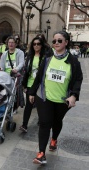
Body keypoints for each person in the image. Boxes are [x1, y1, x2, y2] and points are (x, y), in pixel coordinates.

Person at [29, 31, 83, 165]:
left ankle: (54, 139)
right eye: (54, 41)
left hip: (62, 100)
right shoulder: (47, 57)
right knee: (45, 122)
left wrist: (73, 95)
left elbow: (77, 80)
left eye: (59, 41)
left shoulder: (73, 61)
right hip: (44, 97)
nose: (56, 43)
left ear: (66, 42)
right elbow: (39, 76)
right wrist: (32, 92)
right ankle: (41, 153)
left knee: (56, 121)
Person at [19, 36, 47, 133]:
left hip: (41, 85)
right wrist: (24, 85)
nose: (36, 46)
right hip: (30, 84)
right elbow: (26, 72)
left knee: (40, 105)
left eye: (38, 44)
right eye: (34, 44)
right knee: (29, 106)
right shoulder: (30, 56)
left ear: (42, 45)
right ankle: (24, 125)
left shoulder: (45, 58)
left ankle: (41, 120)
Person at [0, 36, 25, 109]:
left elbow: (21, 63)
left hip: (15, 75)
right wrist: (0, 68)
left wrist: (16, 69)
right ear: (7, 44)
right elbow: (2, 65)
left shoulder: (20, 52)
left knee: (14, 92)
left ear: (15, 44)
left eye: (12, 42)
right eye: (9, 42)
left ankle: (14, 105)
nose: (11, 44)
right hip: (6, 76)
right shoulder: (4, 54)